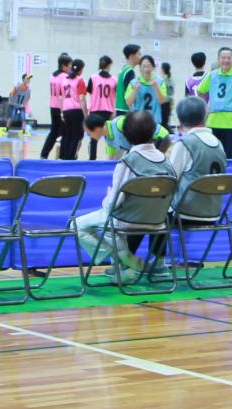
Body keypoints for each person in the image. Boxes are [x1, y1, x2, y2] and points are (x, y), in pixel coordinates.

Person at [73, 110, 171, 281]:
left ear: (126, 133)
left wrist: (108, 197)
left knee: (77, 225)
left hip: (128, 219)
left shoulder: (128, 162)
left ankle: (129, 261)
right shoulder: (168, 163)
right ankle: (135, 266)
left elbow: (113, 204)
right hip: (159, 220)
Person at [168, 97, 230, 223]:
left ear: (180, 121)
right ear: (205, 116)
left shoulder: (185, 143)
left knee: (151, 212)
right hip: (213, 211)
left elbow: (170, 179)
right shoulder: (218, 143)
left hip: (185, 212)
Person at [40, 53, 74, 158]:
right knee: (65, 133)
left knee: (53, 132)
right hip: (61, 108)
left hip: (53, 106)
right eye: (69, 66)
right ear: (63, 66)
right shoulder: (64, 77)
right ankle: (63, 156)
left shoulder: (53, 76)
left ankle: (44, 154)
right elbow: (63, 94)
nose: (71, 68)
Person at [86, 55, 119, 160]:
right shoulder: (114, 79)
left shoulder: (93, 78)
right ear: (109, 65)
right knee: (109, 137)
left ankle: (92, 159)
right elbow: (116, 95)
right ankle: (110, 159)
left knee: (94, 138)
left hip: (95, 110)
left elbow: (90, 93)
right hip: (108, 111)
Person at [58, 58, 89, 161]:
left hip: (66, 111)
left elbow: (61, 97)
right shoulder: (80, 80)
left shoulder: (64, 80)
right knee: (76, 136)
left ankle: (63, 157)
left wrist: (62, 112)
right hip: (77, 111)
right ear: (80, 70)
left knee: (66, 135)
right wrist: (86, 115)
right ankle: (71, 158)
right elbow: (82, 98)